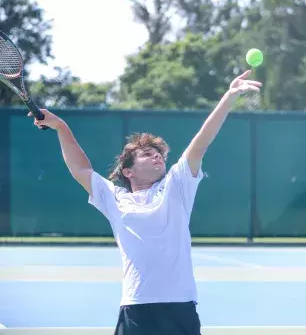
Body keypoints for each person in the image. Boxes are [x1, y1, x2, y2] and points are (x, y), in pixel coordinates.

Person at [29, 70, 262, 335]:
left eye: (159, 154)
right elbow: (80, 169)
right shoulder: (114, 197)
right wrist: (61, 126)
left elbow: (200, 144)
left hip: (179, 307)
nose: (158, 157)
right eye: (148, 154)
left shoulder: (177, 186)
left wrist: (229, 98)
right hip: (136, 307)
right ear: (128, 171)